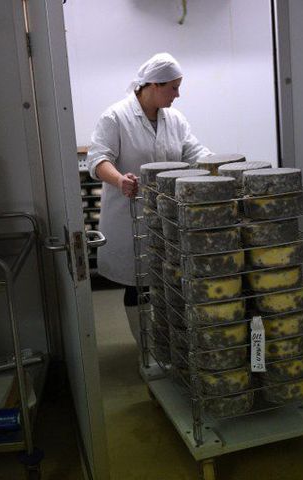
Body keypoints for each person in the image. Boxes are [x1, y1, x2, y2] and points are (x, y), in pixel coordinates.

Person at [87, 52, 212, 344]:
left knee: (169, 281)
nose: (178, 95)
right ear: (154, 85)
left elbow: (195, 152)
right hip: (131, 215)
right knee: (138, 284)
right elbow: (98, 158)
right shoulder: (115, 117)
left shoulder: (175, 120)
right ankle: (146, 346)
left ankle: (170, 343)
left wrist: (220, 167)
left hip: (167, 218)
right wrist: (120, 180)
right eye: (174, 87)